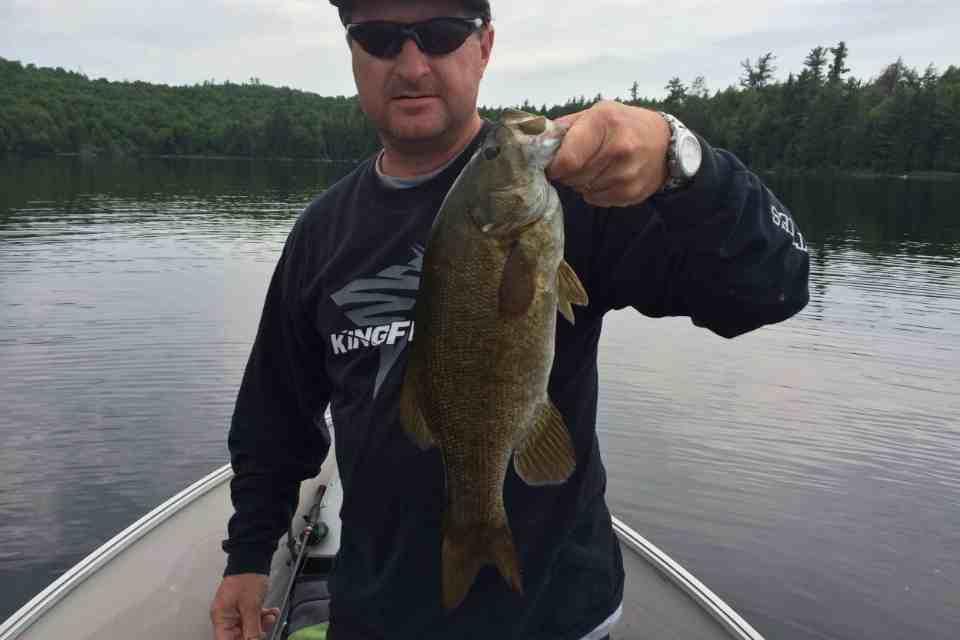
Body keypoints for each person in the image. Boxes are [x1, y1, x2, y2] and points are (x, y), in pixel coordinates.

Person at [209, 0, 810, 638]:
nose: (412, 64)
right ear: (352, 52)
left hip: (554, 614)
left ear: (485, 46)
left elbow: (771, 288)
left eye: (440, 35)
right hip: (379, 613)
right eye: (380, 38)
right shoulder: (321, 233)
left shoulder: (582, 200)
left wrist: (681, 162)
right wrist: (248, 556)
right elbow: (275, 413)